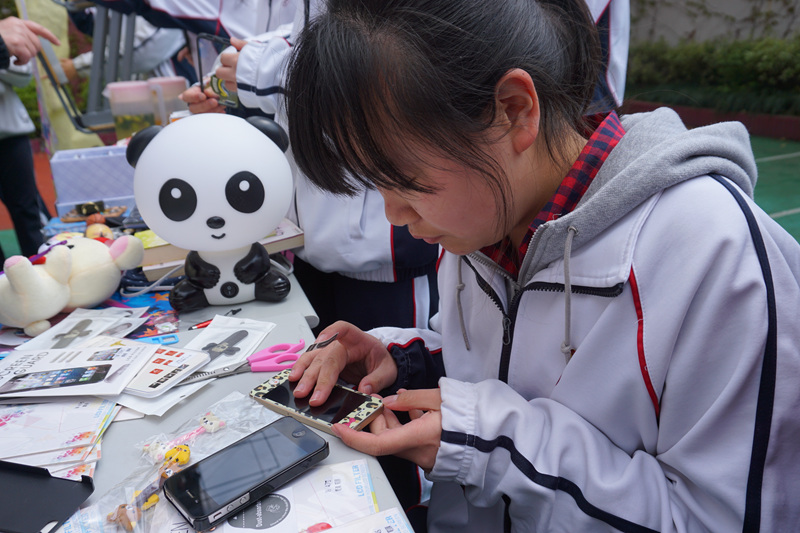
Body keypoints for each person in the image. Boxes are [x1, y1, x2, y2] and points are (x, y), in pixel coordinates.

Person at [281, 1, 800, 532]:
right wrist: (404, 362)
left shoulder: (716, 256)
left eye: (405, 180)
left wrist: (489, 447)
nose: (394, 214)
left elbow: (722, 519)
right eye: (374, 183)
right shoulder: (482, 222)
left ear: (513, 110)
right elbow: (501, 367)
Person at [0, 16, 60, 263]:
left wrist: (4, 46)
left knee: (29, 211)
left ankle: (46, 272)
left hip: (9, 134)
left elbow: (23, 72)